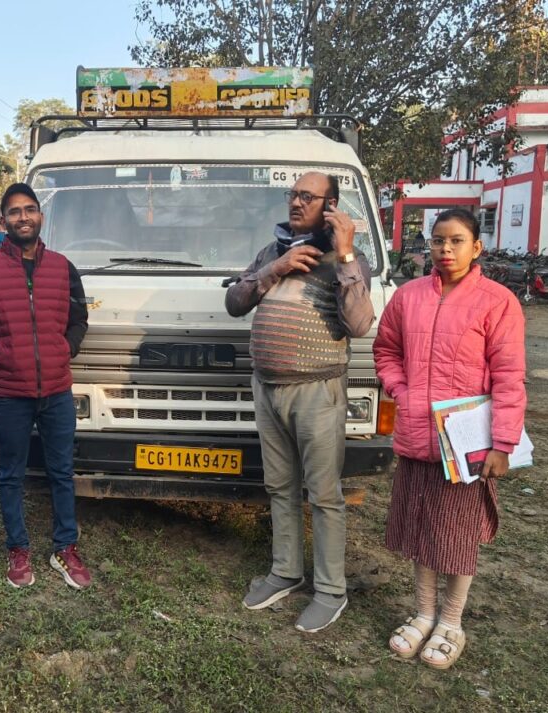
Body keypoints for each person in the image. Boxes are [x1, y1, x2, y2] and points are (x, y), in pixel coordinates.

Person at [373, 207, 526, 669]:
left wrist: (503, 443)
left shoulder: (497, 302)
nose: (446, 249)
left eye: (457, 241)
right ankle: (423, 613)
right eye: (438, 240)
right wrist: (401, 391)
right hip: (417, 435)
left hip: (465, 445)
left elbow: (509, 377)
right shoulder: (408, 297)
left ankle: (451, 622)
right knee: (421, 529)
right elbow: (386, 350)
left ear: (476, 247)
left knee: (457, 536)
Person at [225, 172, 374, 632]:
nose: (295, 202)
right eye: (292, 195)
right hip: (268, 387)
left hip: (317, 391)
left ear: (331, 206)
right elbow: (235, 302)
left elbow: (359, 324)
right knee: (279, 486)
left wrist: (345, 253)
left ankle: (330, 591)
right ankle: (285, 572)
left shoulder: (347, 260)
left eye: (307, 196)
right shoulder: (272, 252)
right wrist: (276, 268)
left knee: (324, 494)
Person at [0, 182, 91, 590]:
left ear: (40, 216)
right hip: (10, 393)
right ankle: (18, 547)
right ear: (3, 221)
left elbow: (79, 318)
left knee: (62, 471)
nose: (23, 217)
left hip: (57, 391)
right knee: (11, 474)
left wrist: (65, 348)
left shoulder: (63, 267)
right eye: (14, 211)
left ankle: (65, 547)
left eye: (29, 209)